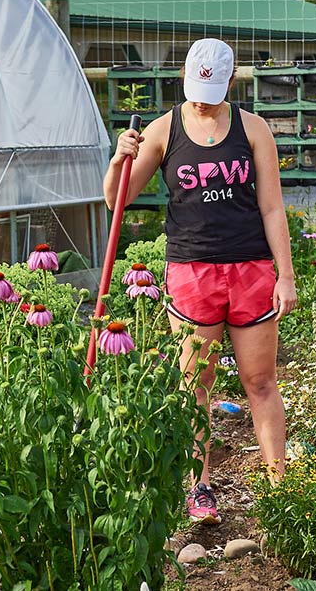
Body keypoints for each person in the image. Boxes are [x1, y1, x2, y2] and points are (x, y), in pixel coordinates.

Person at [104, 38, 297, 523]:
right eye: (194, 90)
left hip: (251, 268)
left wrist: (285, 275)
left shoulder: (254, 130)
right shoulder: (163, 129)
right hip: (191, 271)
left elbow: (272, 207)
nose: (201, 99)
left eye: (211, 91)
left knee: (260, 381)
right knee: (197, 383)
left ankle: (282, 488)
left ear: (231, 82)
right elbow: (117, 200)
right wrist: (118, 159)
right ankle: (200, 488)